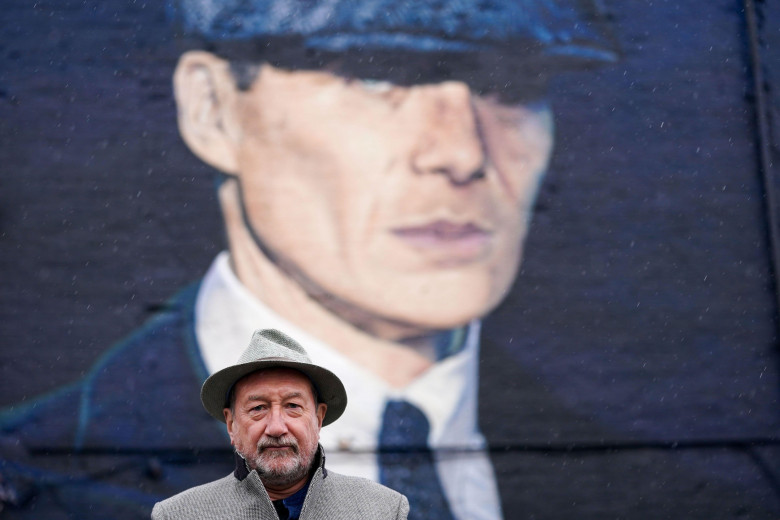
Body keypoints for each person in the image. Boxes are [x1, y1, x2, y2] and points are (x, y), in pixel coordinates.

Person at [0, 1, 618, 519]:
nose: (461, 152)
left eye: (515, 85)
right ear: (213, 108)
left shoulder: (637, 476)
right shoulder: (34, 479)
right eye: (377, 75)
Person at [151, 328, 409, 519]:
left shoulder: (382, 510)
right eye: (258, 408)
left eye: (293, 407)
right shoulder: (178, 515)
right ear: (231, 425)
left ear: (318, 419)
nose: (276, 428)